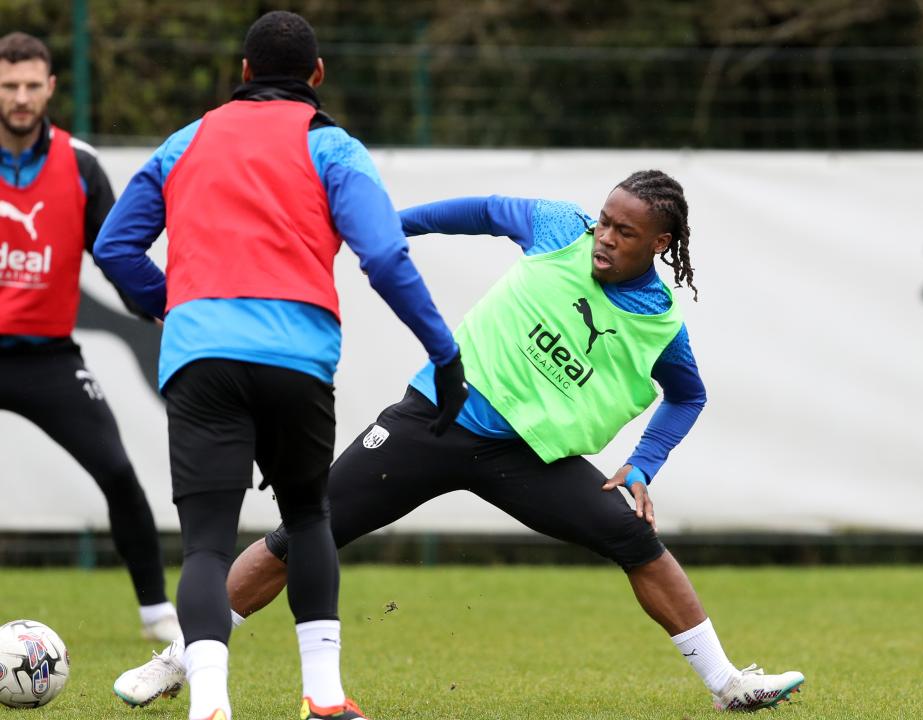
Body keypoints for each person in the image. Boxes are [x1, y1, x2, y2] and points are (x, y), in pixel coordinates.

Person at [113, 171, 805, 713]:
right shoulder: (559, 227)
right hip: (432, 420)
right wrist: (393, 227)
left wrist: (643, 463)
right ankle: (178, 660)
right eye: (605, 221)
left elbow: (689, 394)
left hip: (528, 458)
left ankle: (726, 684)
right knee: (303, 533)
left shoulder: (661, 324)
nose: (604, 237)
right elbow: (481, 211)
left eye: (625, 232)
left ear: (660, 244)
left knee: (636, 542)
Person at [94, 11, 467, 720]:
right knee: (307, 517)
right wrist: (443, 352)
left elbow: (115, 246)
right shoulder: (335, 146)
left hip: (201, 358)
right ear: (317, 77)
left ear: (242, 74)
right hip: (297, 358)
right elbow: (385, 257)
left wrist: (170, 308)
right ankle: (324, 699)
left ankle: (209, 704)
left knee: (206, 543)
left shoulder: (186, 141)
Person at [0, 31, 178, 643]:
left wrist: (162, 306)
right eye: (8, 86)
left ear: (49, 88)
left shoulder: (79, 165)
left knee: (118, 472)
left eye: (30, 86)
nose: (20, 98)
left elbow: (115, 255)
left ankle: (159, 616)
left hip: (49, 357)